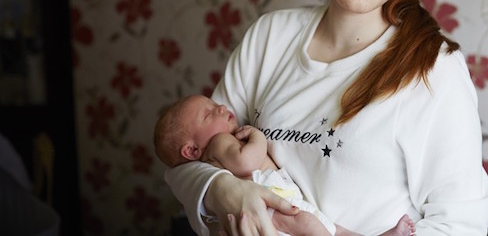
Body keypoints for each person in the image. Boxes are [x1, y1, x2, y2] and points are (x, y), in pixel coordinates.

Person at [164, 0, 488, 236]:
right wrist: (226, 190)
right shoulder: (269, 37)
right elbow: (190, 159)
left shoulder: (435, 71)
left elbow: (461, 226)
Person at [154, 94, 415, 236]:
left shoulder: (216, 148)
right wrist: (258, 137)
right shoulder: (220, 143)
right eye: (209, 113)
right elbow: (247, 162)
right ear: (191, 150)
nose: (221, 107)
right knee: (319, 228)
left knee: (332, 229)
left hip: (277, 203)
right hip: (270, 206)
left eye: (214, 104)